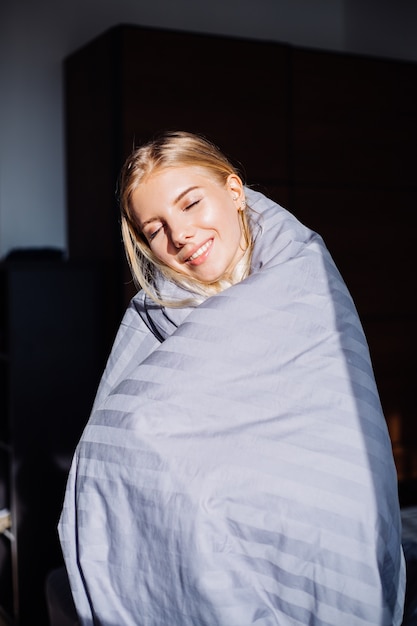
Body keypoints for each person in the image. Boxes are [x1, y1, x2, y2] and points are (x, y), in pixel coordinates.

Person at [58, 130, 405, 625]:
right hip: (210, 541)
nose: (179, 235)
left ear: (235, 191)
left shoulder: (301, 280)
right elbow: (115, 447)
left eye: (191, 203)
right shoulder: (152, 314)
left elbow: (338, 425)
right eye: (155, 229)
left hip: (313, 521)